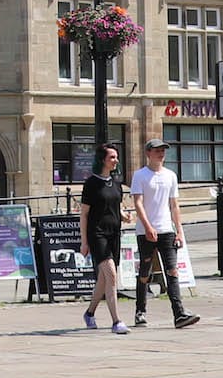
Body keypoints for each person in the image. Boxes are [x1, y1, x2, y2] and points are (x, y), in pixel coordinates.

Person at [129, 140, 201, 329]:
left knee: (172, 270)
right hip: (146, 230)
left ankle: (179, 313)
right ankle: (140, 311)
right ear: (148, 153)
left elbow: (174, 205)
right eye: (157, 151)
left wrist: (179, 231)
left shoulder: (170, 175)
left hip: (166, 229)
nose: (161, 154)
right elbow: (138, 203)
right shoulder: (140, 175)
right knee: (145, 271)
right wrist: (147, 226)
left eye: (163, 151)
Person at [79, 144, 128, 334]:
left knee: (103, 278)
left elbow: (116, 207)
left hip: (114, 233)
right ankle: (117, 321)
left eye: (116, 157)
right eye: (111, 157)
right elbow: (84, 214)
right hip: (97, 234)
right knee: (112, 275)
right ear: (102, 160)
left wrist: (124, 216)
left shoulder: (116, 183)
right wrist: (84, 242)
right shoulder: (91, 183)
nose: (115, 160)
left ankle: (90, 313)